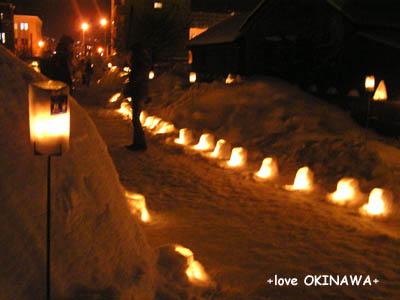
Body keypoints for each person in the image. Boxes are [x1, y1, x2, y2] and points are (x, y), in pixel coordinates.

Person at [125, 43, 151, 151]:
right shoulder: (141, 64)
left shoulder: (139, 65)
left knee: (136, 119)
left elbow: (136, 81)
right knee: (135, 119)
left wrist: (129, 88)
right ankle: (137, 143)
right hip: (139, 93)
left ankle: (140, 144)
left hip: (138, 94)